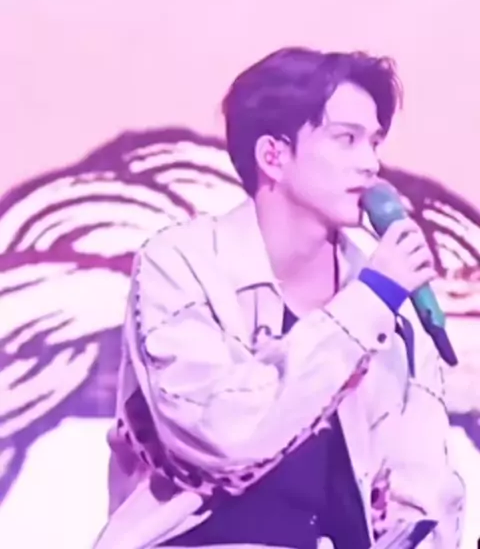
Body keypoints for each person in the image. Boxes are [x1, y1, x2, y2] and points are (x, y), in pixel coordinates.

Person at [95, 47, 465, 549]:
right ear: (273, 156)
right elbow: (220, 434)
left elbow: (422, 491)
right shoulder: (180, 264)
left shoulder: (393, 307)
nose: (371, 164)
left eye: (374, 142)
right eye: (346, 139)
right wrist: (368, 300)